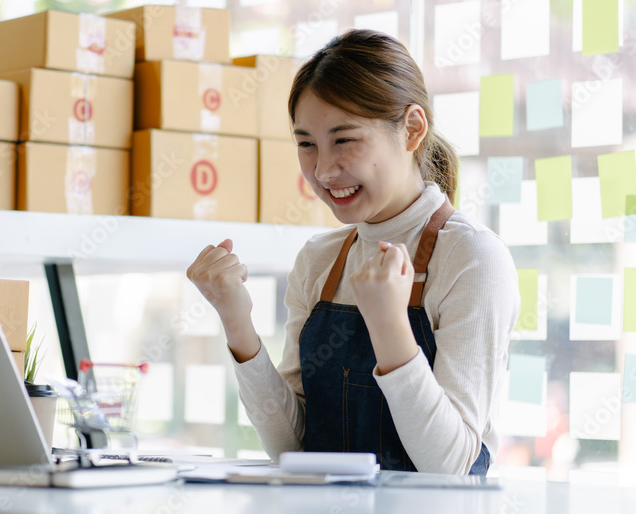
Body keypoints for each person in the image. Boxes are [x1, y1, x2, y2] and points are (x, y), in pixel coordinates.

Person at [186, 29, 519, 475]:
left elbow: (452, 467)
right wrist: (236, 320)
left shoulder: (473, 258)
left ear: (413, 129)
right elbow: (293, 446)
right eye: (307, 144)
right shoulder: (319, 259)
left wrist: (390, 327)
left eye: (344, 140)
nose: (323, 170)